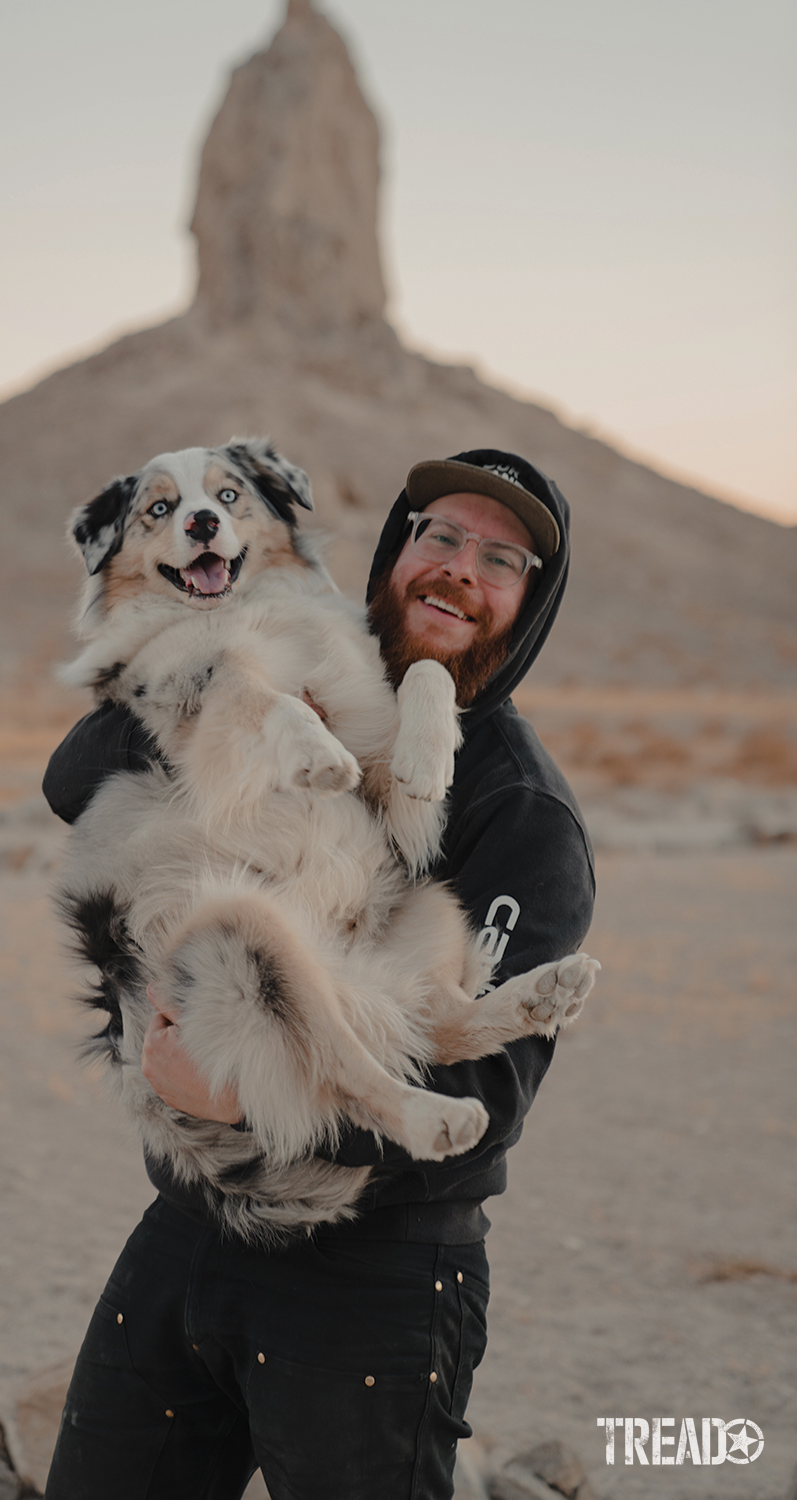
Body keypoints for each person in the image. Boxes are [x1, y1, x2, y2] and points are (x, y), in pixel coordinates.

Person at [41, 448, 595, 1500]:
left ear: (530, 604)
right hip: (193, 1224)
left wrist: (242, 1097)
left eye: (502, 558)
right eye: (438, 536)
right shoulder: (300, 655)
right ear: (392, 554)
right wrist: (230, 686)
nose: (460, 568)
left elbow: (486, 1095)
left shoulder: (520, 810)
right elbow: (71, 780)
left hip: (376, 1270)